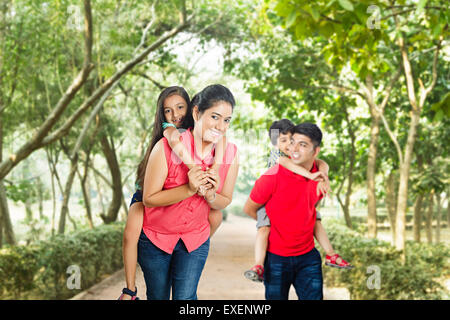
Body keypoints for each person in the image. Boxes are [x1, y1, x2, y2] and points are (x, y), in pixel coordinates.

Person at [119, 86, 227, 300]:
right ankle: (130, 289)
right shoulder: (170, 133)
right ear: (162, 115)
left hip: (187, 215)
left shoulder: (204, 132)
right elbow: (175, 142)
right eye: (168, 110)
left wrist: (214, 169)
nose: (175, 114)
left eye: (180, 107)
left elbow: (222, 139)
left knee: (215, 215)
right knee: (132, 230)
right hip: (150, 191)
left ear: (192, 109)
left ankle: (186, 250)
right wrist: (193, 170)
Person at [243, 122, 345, 300]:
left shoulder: (319, 177)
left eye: (301, 144)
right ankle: (258, 265)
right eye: (291, 142)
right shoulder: (271, 175)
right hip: (276, 259)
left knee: (316, 218)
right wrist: (271, 222)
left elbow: (322, 165)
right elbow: (250, 208)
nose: (293, 147)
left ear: (315, 151)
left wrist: (323, 175)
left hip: (308, 258)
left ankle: (331, 254)